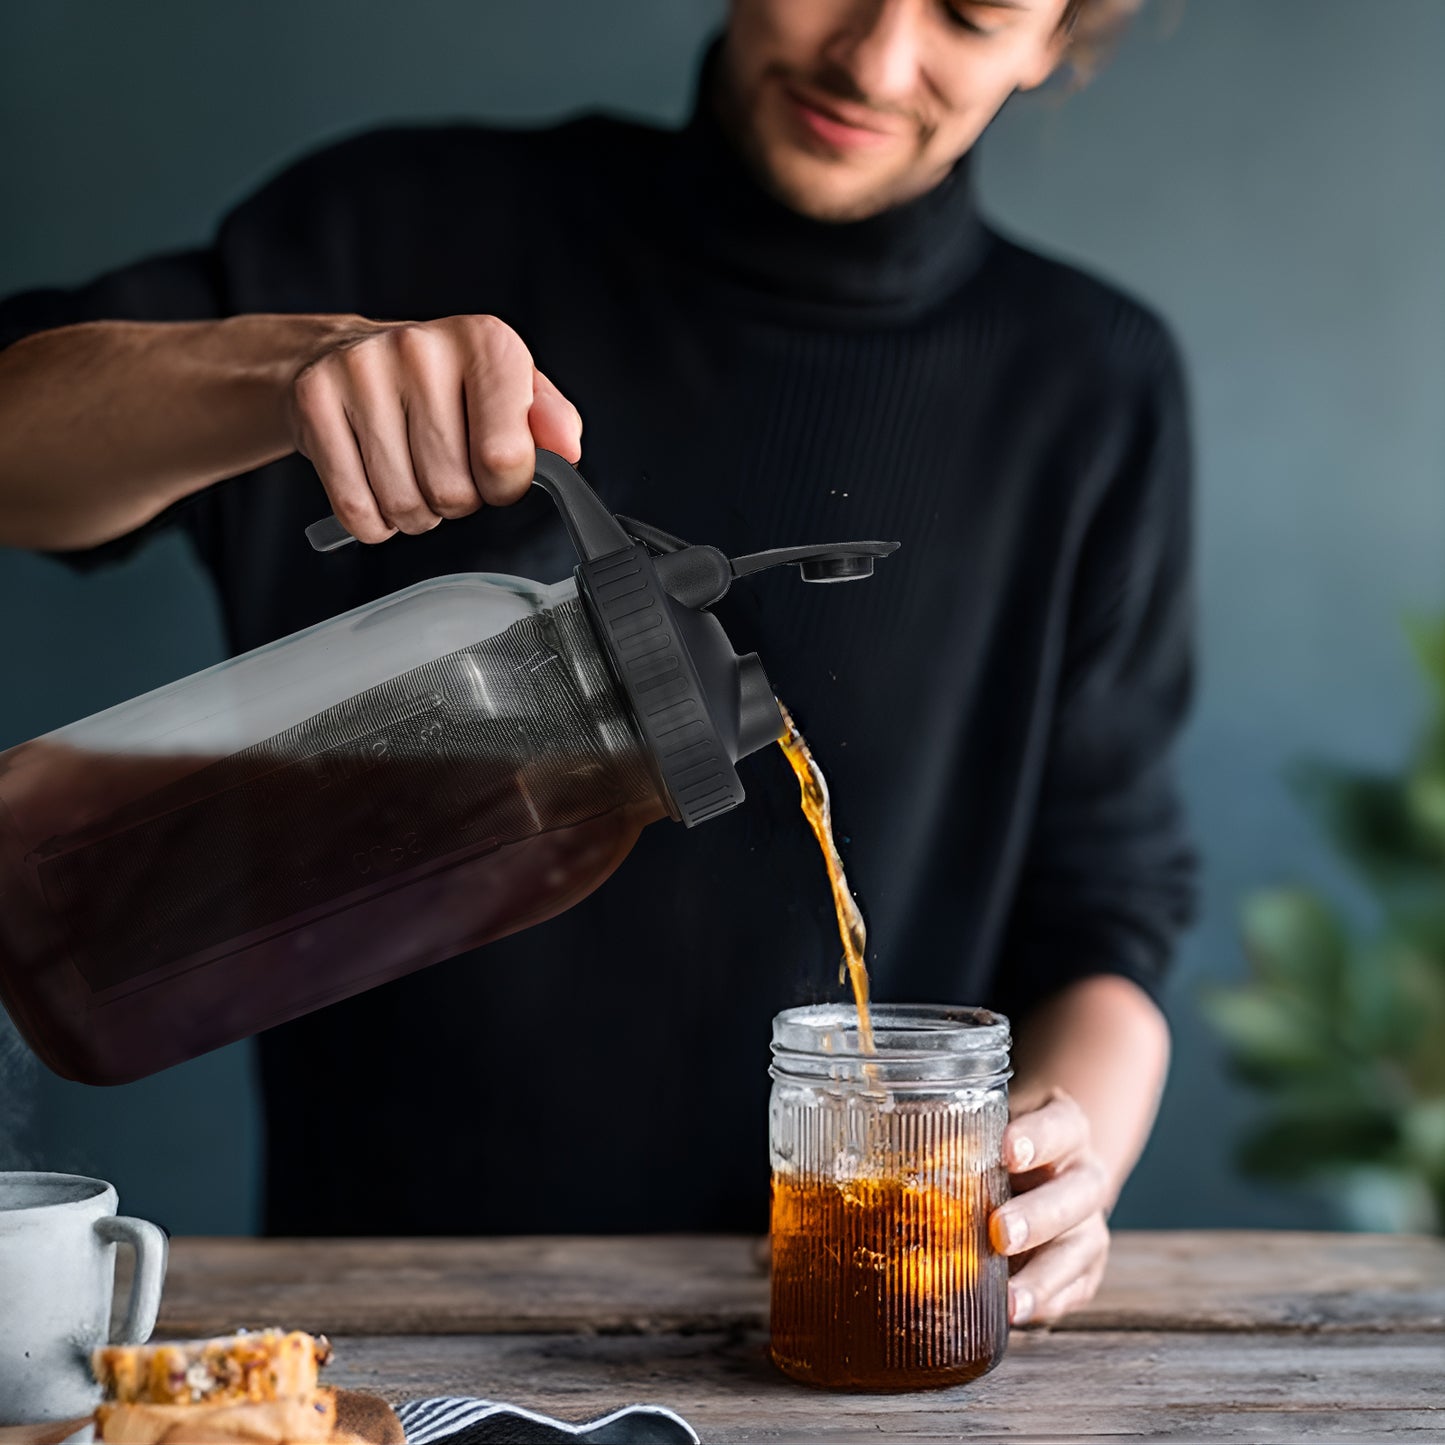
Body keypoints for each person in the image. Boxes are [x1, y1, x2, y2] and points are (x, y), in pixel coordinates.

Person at [0, 0, 1193, 1328]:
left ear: (1053, 40)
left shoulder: (1092, 386)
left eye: (971, 13)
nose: (873, 58)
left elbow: (1108, 900)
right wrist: (281, 372)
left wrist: (1064, 1161)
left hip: (847, 1313)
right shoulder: (404, 224)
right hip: (383, 1323)